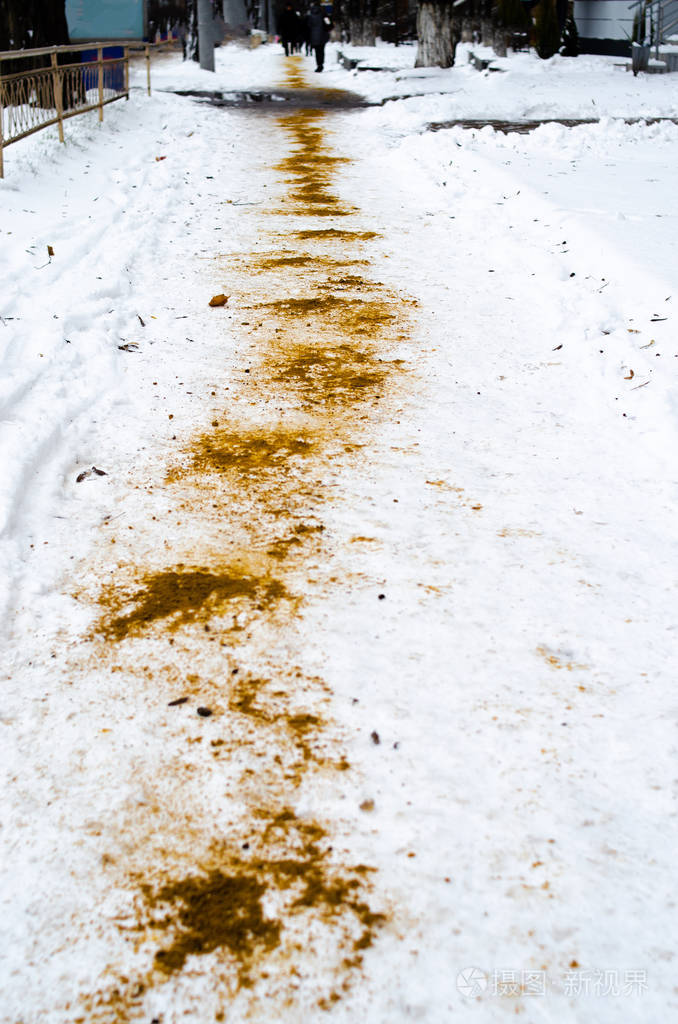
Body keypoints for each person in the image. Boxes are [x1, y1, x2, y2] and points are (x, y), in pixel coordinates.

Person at [307, 3, 332, 72]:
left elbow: (307, 27)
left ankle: (319, 64)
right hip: (322, 36)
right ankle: (321, 64)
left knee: (317, 52)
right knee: (321, 51)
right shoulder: (324, 15)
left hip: (314, 37)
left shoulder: (310, 17)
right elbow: (329, 25)